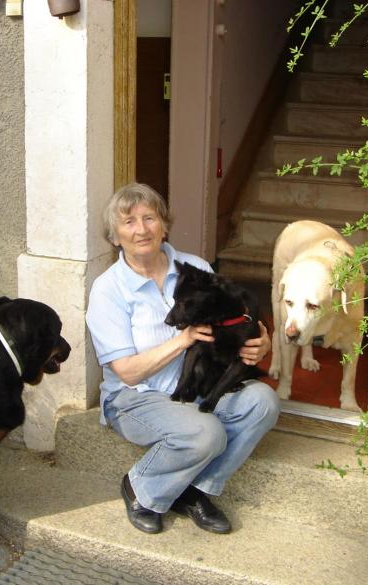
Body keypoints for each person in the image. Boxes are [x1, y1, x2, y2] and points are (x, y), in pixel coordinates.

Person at [85, 182, 280, 535]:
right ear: (114, 237)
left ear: (165, 225)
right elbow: (127, 372)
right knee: (206, 433)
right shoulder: (108, 289)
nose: (141, 229)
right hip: (135, 397)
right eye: (128, 222)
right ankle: (142, 489)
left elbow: (235, 316)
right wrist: (183, 339)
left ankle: (194, 491)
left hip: (198, 384)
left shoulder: (195, 267)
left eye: (150, 218)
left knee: (262, 401)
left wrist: (260, 342)